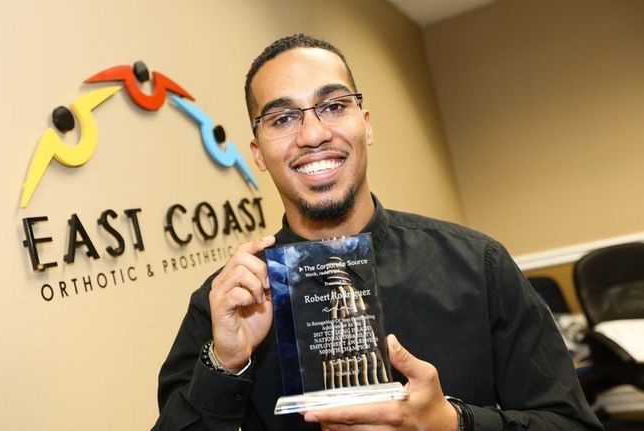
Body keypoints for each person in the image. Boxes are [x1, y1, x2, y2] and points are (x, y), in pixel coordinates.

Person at [153, 34, 603, 431]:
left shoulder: (479, 266)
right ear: (257, 152)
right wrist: (225, 365)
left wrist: (454, 424)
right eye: (283, 118)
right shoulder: (224, 306)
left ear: (366, 124)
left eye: (333, 106)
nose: (312, 134)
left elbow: (571, 423)